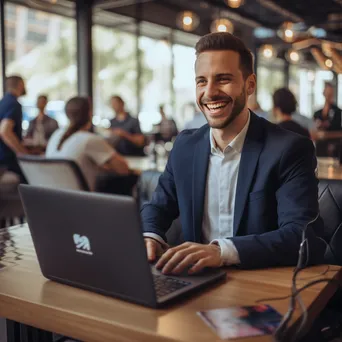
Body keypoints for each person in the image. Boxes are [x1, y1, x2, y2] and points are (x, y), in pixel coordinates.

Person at [141, 32, 324, 274]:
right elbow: (158, 206)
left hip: (258, 285)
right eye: (201, 81)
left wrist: (221, 252)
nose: (209, 92)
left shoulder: (289, 149)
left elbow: (302, 237)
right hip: (196, 283)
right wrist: (150, 236)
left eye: (223, 79)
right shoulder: (186, 146)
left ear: (250, 85)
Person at [46, 97, 136, 194]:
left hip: (53, 200)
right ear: (89, 114)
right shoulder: (89, 139)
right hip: (82, 203)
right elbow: (124, 169)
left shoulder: (56, 135)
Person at [0, 76, 29, 182]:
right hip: (7, 158)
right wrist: (24, 153)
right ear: (21, 85)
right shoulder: (13, 104)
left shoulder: (2, 102)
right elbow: (5, 131)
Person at [313, 83, 342, 157]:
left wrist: (326, 135)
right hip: (320, 147)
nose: (328, 95)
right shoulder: (317, 113)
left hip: (333, 147)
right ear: (323, 93)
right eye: (327, 92)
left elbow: (339, 132)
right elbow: (314, 130)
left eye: (330, 93)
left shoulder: (338, 112)